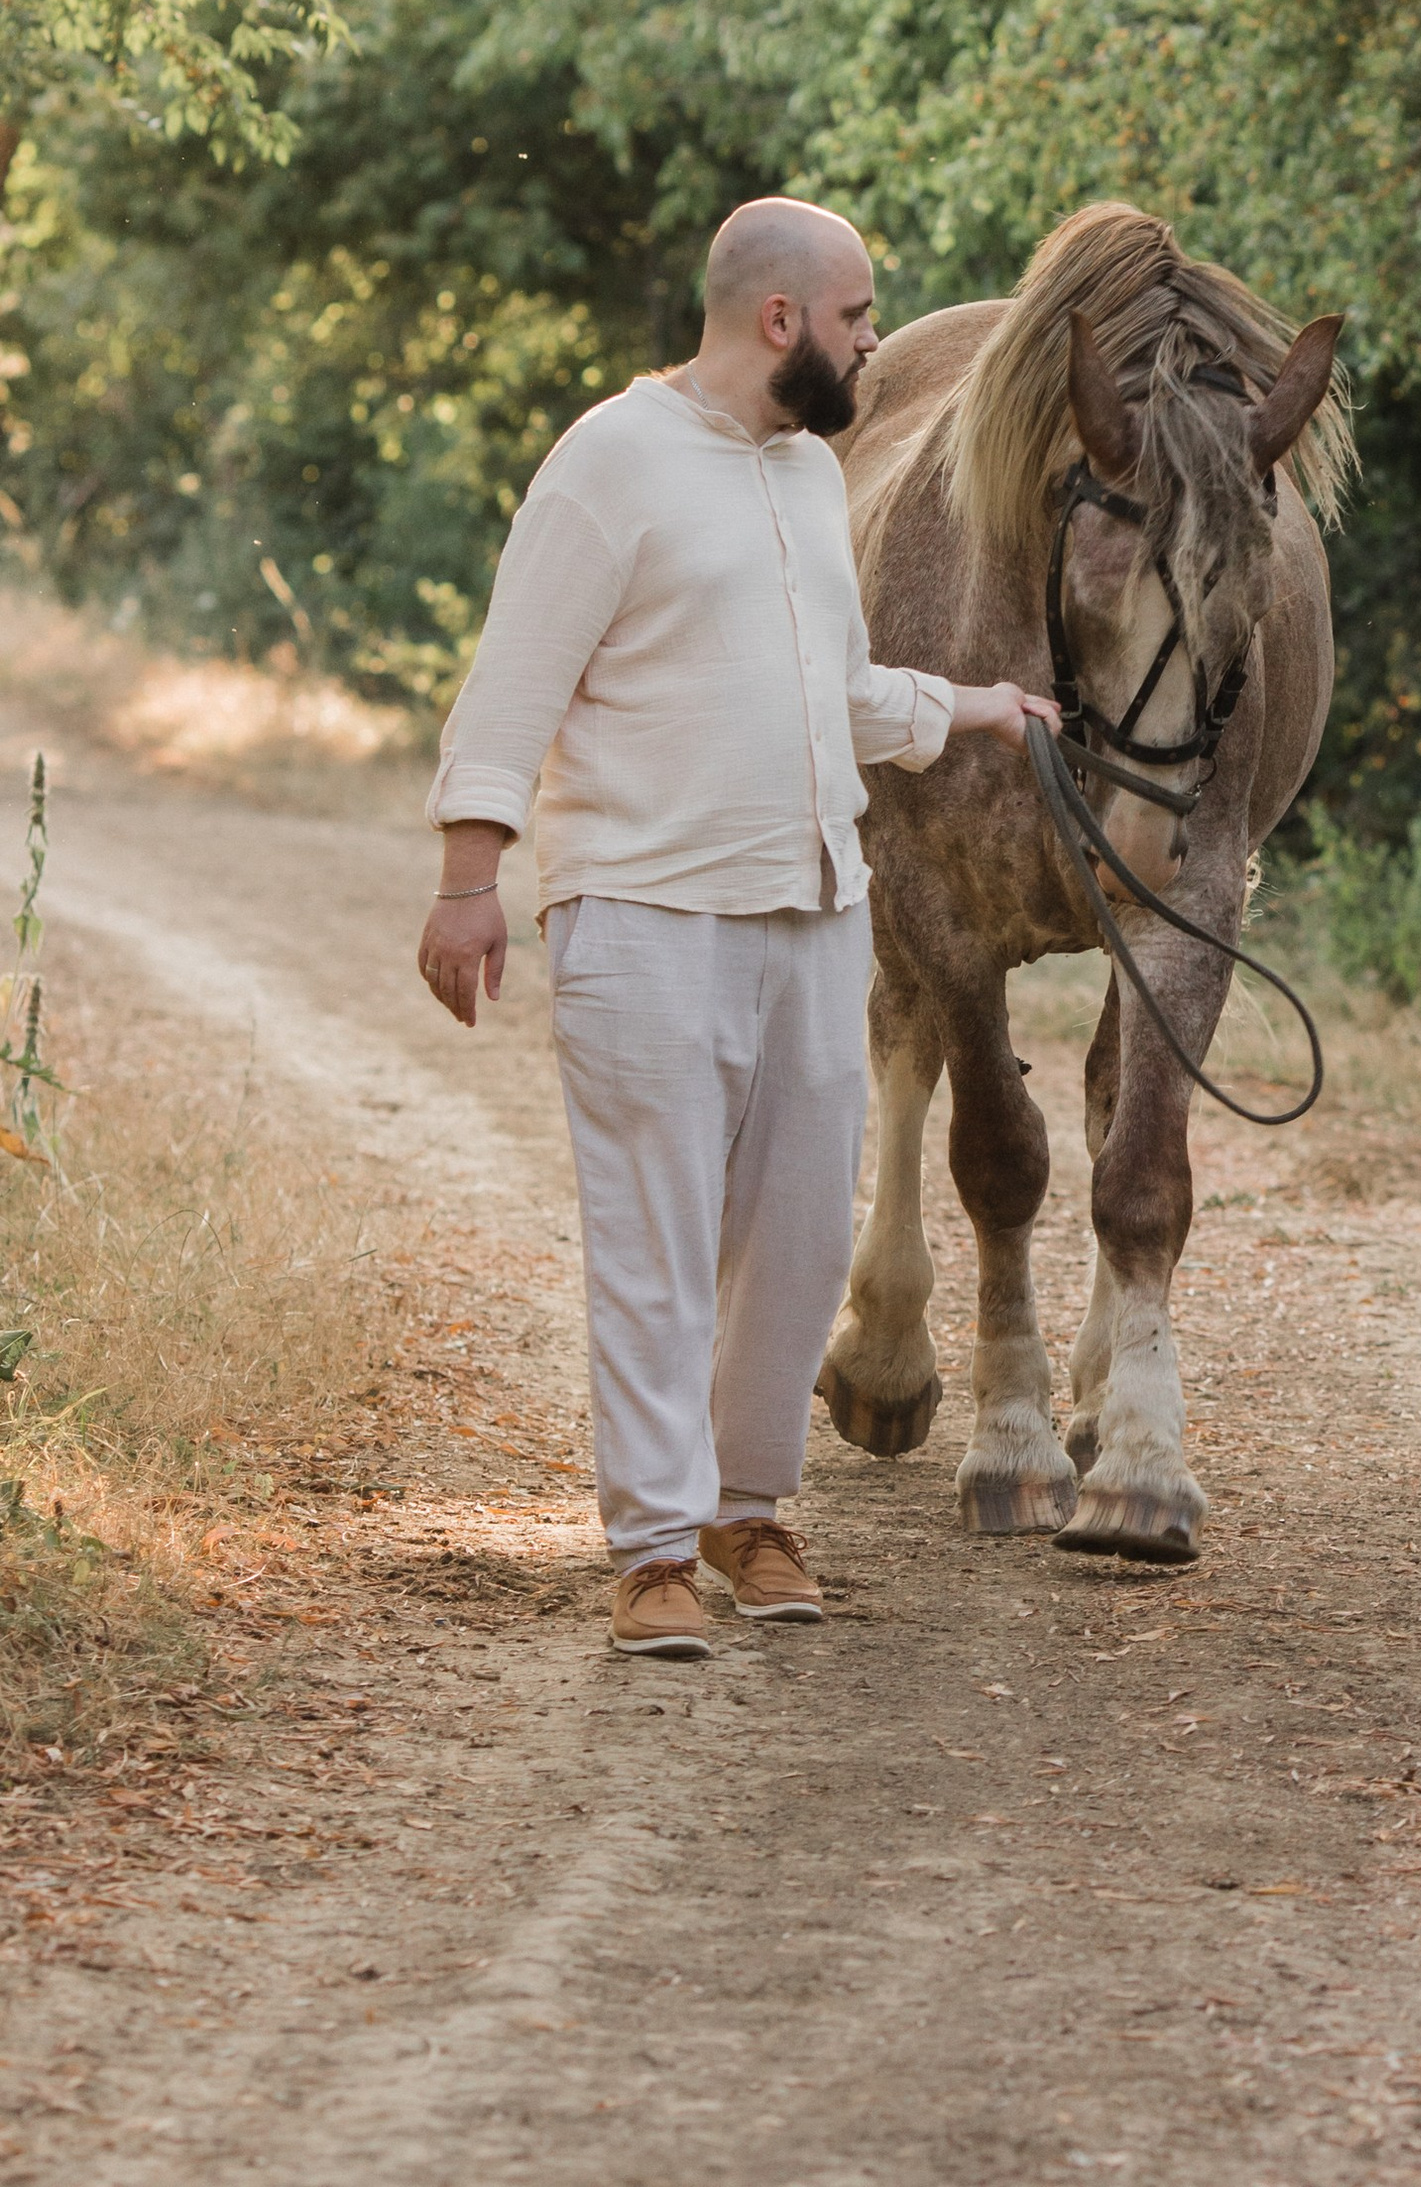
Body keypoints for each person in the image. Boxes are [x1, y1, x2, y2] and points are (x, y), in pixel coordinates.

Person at [415, 195, 1056, 1661]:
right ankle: (651, 1547)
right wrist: (468, 877)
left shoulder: (809, 476)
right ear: (782, 320)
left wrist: (977, 708)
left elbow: (836, 688)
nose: (875, 340)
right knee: (657, 1235)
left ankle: (748, 1509)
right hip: (646, 912)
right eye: (858, 316)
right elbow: (512, 681)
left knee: (802, 1238)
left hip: (815, 908)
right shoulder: (610, 460)